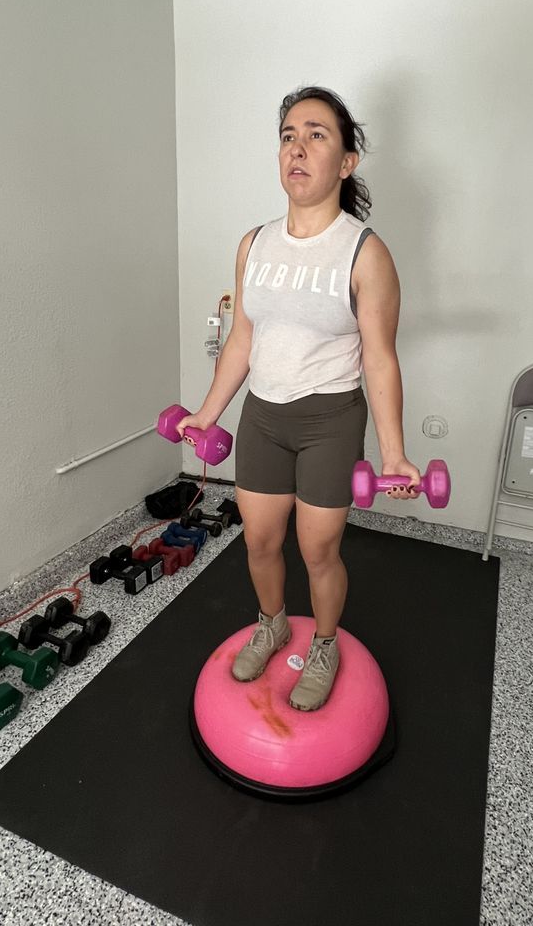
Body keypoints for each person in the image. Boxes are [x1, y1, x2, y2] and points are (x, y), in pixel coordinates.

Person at [177, 86, 420, 711]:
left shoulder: (365, 251)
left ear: (346, 162)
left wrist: (393, 453)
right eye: (288, 134)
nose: (298, 146)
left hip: (329, 418)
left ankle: (326, 642)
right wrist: (207, 413)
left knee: (317, 549)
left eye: (317, 134)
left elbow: (380, 356)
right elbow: (243, 338)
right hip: (263, 414)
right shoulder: (253, 244)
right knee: (258, 542)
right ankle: (273, 623)